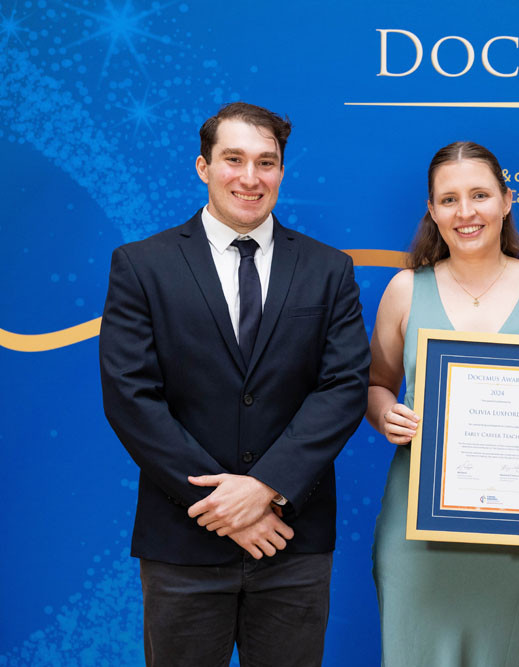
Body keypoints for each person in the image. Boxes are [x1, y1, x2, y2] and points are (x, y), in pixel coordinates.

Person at [99, 102, 370, 666]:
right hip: (183, 543)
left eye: (266, 162)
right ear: (203, 167)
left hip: (292, 541)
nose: (250, 178)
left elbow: (343, 387)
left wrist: (265, 486)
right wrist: (222, 504)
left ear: (281, 171)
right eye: (234, 159)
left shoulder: (329, 269)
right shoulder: (141, 265)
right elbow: (131, 397)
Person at [367, 141, 519, 666]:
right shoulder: (403, 291)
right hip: (418, 533)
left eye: (480, 195)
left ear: (507, 201)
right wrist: (384, 414)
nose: (465, 212)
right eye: (449, 199)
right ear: (432, 210)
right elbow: (375, 383)